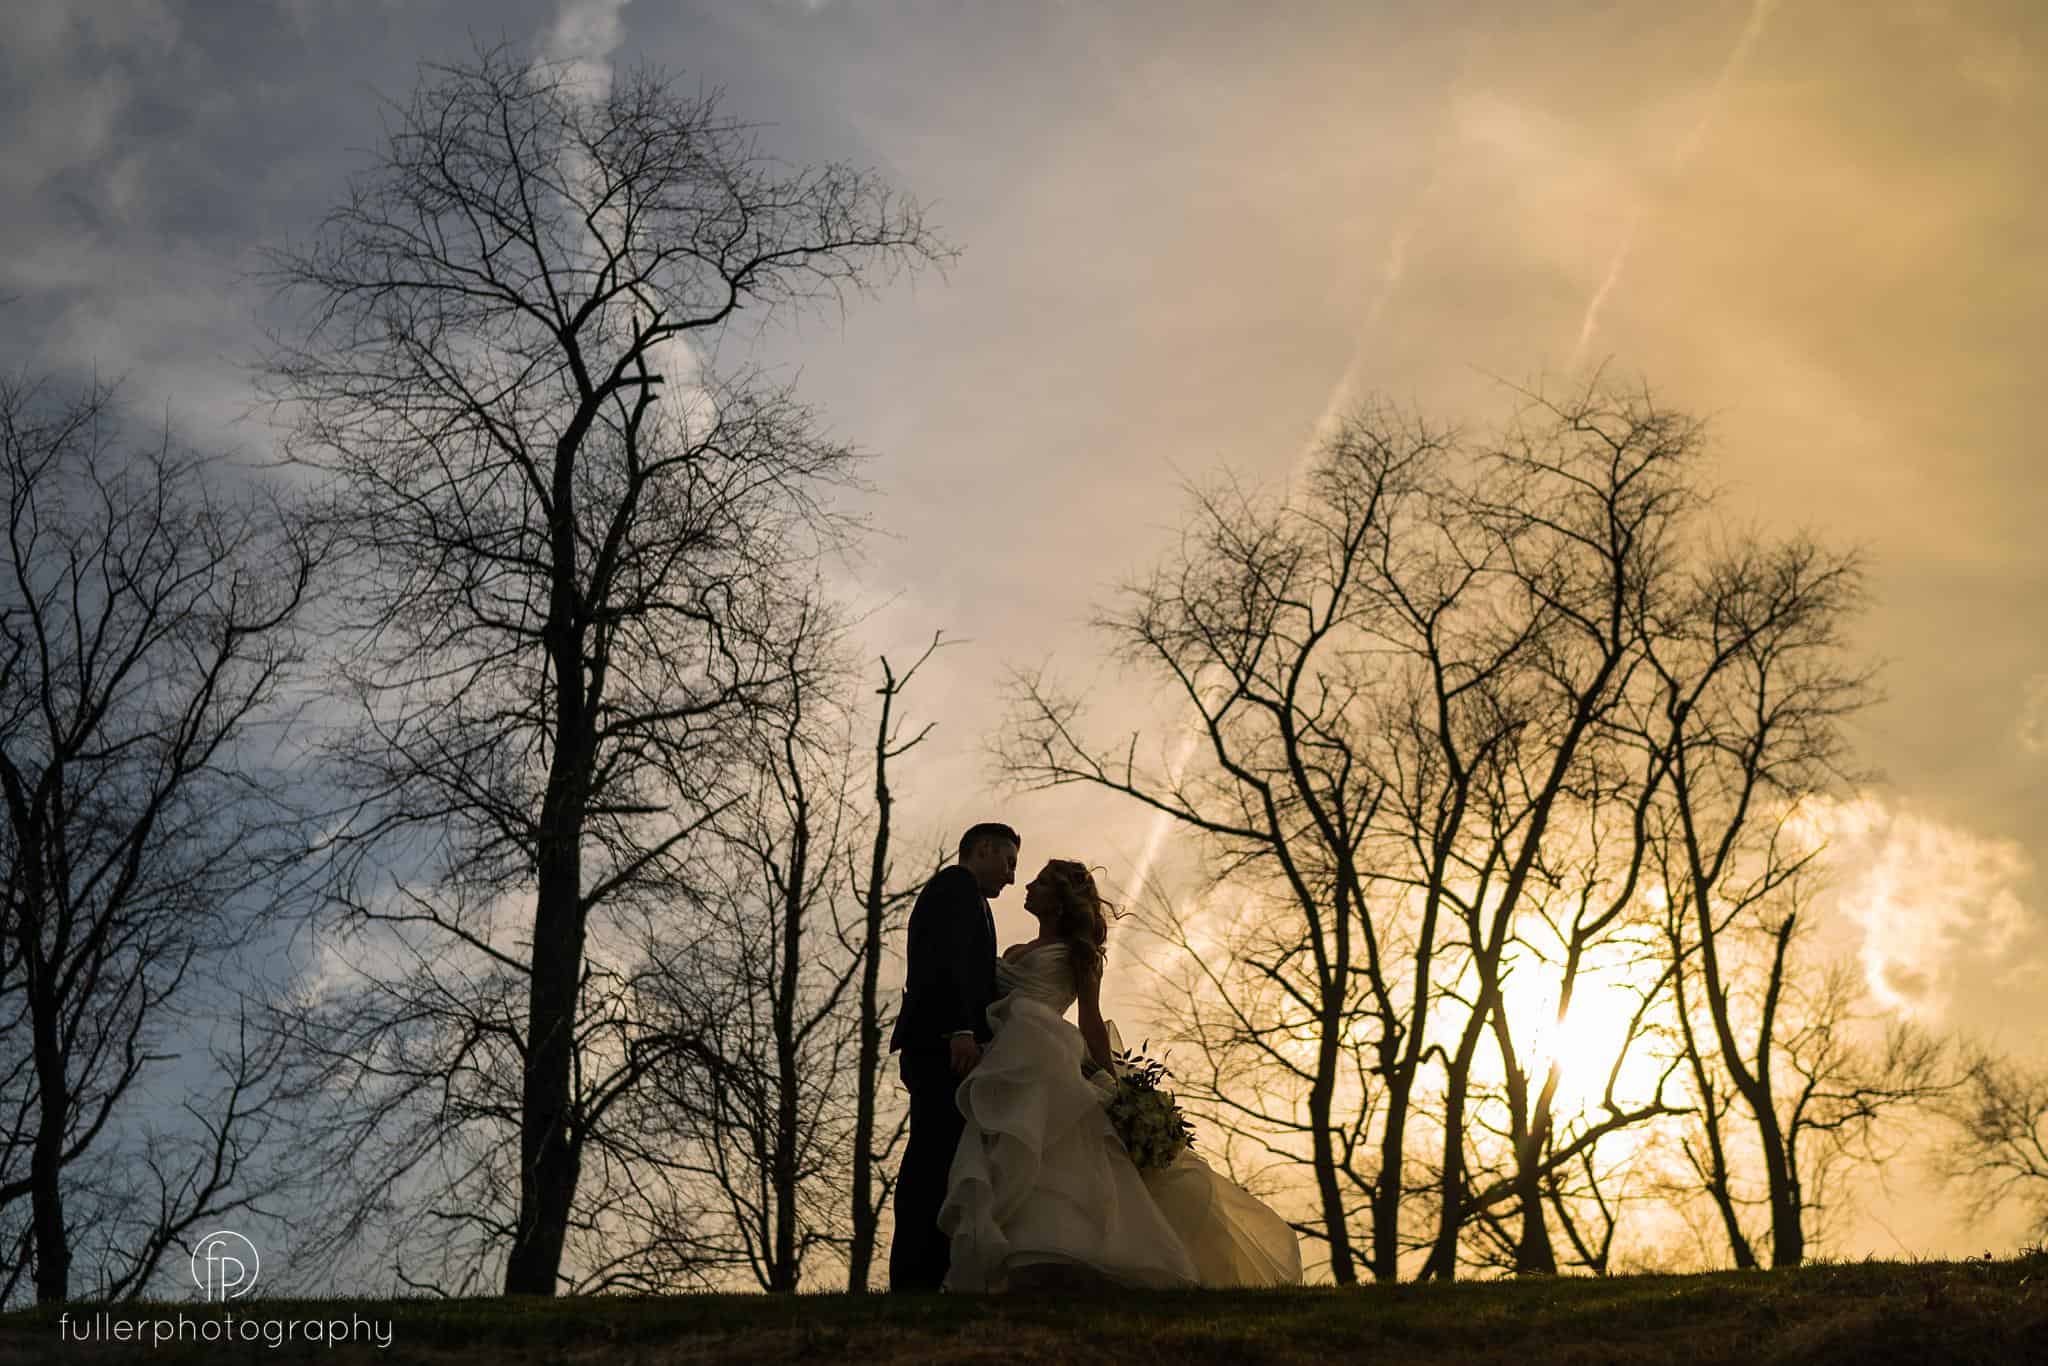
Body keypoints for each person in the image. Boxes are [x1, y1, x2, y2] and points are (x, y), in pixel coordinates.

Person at [938, 859, 1302, 1292]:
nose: (1028, 885)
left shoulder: (1080, 955)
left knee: (1051, 1151)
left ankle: (1061, 1254)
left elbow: (1091, 1020)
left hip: (1046, 1055)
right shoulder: (1014, 948)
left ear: (1059, 900)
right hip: (1004, 1058)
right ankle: (1015, 1260)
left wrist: (1116, 1086)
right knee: (1010, 1148)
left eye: (1040, 882)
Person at [887, 821, 1020, 1293]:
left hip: (943, 1044)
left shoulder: (971, 899)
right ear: (982, 849)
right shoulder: (955, 887)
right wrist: (959, 1029)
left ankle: (928, 1272)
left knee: (941, 1155)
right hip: (941, 1045)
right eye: (1008, 862)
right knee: (930, 1158)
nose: (1012, 877)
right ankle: (914, 1275)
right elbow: (945, 964)